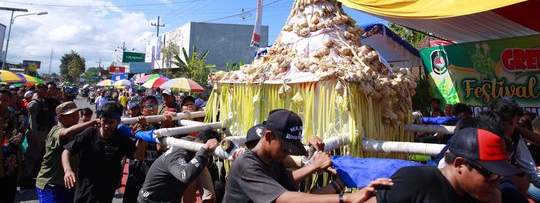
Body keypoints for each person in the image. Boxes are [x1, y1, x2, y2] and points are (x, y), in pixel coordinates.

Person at [224, 109, 392, 203]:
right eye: (286, 147)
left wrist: (339, 182)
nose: (289, 152)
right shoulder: (247, 165)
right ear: (268, 137)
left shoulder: (273, 160)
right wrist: (347, 198)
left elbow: (288, 184)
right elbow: (284, 198)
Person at [370, 128, 521, 203]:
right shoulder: (415, 181)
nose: (496, 185)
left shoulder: (478, 196)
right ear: (460, 164)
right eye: (491, 175)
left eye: (500, 177)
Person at [62, 102, 146, 203]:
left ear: (118, 122)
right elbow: (66, 151)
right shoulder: (90, 133)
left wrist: (142, 136)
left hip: (106, 191)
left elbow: (138, 156)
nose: (106, 126)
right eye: (104, 121)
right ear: (100, 119)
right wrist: (68, 170)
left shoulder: (121, 139)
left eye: (111, 122)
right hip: (85, 189)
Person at [35, 102, 98, 202]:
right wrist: (91, 122)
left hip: (69, 183)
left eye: (76, 114)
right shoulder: (55, 130)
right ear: (60, 118)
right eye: (71, 115)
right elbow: (66, 133)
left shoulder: (80, 131)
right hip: (51, 184)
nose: (76, 117)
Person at [137, 130, 220, 203]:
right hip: (151, 200)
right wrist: (204, 149)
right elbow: (185, 175)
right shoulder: (178, 156)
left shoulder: (188, 142)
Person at [123, 96, 173, 203]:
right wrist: (143, 129)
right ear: (142, 110)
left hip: (154, 173)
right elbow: (138, 153)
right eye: (148, 106)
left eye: (154, 106)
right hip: (137, 172)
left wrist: (164, 124)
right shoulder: (134, 125)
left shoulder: (159, 125)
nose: (151, 109)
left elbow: (160, 147)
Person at [21, 83, 50, 189]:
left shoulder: (42, 102)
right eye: (43, 89)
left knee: (36, 156)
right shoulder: (34, 104)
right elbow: (32, 122)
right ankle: (24, 179)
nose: (45, 91)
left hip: (41, 132)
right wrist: (35, 136)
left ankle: (29, 177)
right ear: (37, 90)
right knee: (30, 157)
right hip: (35, 133)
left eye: (45, 89)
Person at [0, 89, 25, 202]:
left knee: (7, 192)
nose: (1, 103)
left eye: (4, 100)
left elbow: (18, 136)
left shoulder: (16, 116)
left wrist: (3, 149)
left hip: (9, 160)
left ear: (10, 101)